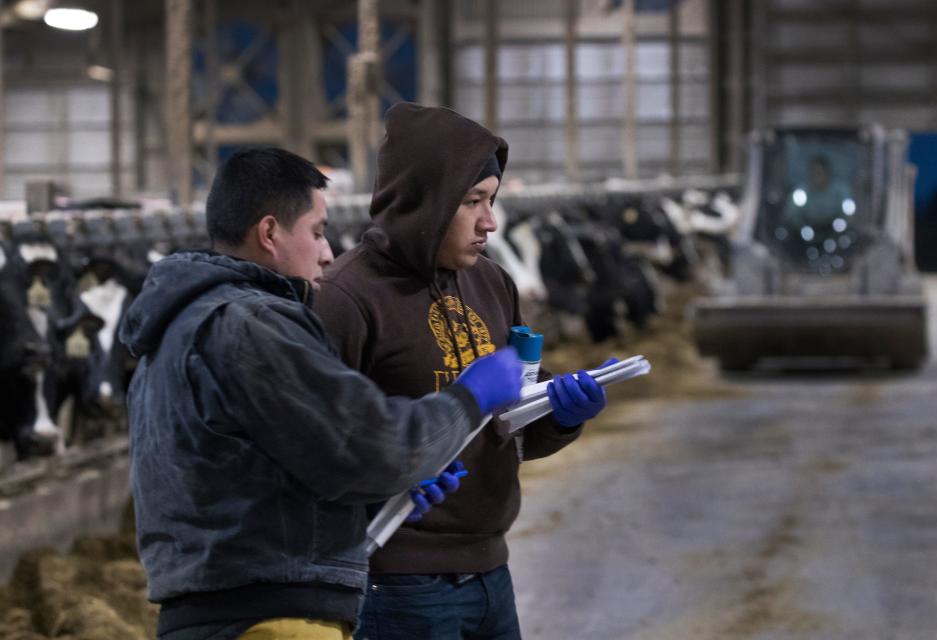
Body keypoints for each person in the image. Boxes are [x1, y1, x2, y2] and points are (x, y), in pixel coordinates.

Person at [118, 147, 525, 640]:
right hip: (272, 620)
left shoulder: (172, 331)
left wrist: (377, 502)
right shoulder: (252, 326)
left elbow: (243, 478)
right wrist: (469, 398)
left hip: (207, 615)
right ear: (269, 233)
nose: (329, 252)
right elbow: (374, 448)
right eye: (316, 231)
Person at [316, 103, 612, 639]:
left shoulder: (492, 283)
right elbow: (315, 445)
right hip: (395, 586)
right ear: (423, 201)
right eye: (472, 201)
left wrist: (559, 414)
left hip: (490, 572)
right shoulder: (345, 297)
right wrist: (387, 484)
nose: (489, 221)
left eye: (491, 200)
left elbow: (508, 426)